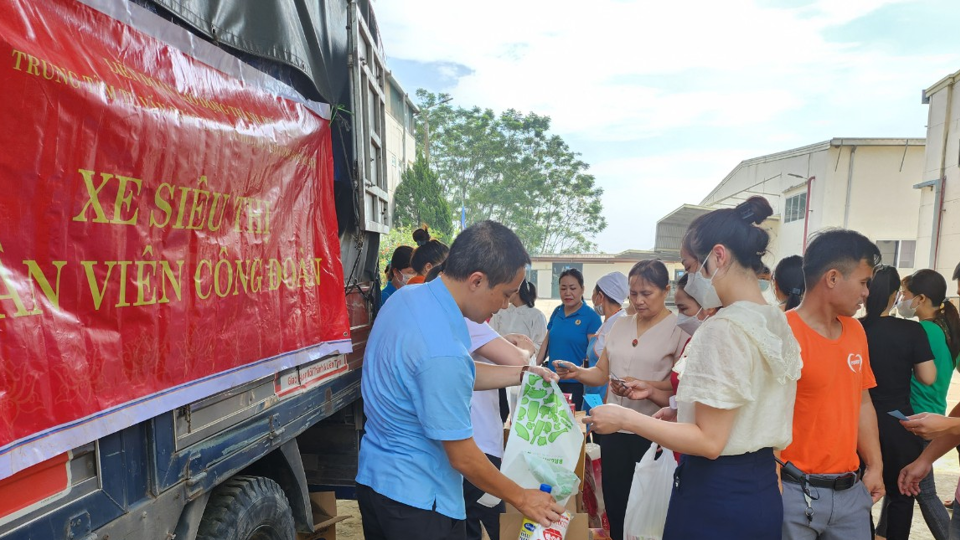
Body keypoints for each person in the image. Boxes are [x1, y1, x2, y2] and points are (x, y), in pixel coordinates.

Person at [579, 197, 801, 539]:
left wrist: (624, 417)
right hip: (760, 487)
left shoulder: (724, 327)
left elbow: (710, 441)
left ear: (718, 257)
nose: (689, 278)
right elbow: (747, 413)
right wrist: (682, 411)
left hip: (718, 492)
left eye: (689, 267)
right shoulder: (775, 320)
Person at [355, 220, 564, 540]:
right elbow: (463, 455)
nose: (506, 304)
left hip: (377, 481)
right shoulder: (441, 348)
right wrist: (522, 497)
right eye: (506, 294)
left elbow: (445, 377)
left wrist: (521, 374)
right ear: (477, 281)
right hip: (419, 501)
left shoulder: (407, 300)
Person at [555, 260, 688, 540]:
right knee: (617, 504)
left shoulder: (679, 329)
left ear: (666, 291)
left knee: (649, 508)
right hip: (615, 430)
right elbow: (601, 372)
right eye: (633, 294)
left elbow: (679, 387)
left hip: (653, 432)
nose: (638, 301)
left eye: (646, 294)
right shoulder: (620, 325)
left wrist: (647, 387)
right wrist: (578, 372)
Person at [775, 228, 884, 539]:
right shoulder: (781, 332)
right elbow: (761, 414)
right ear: (833, 278)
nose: (867, 293)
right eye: (864, 282)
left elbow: (862, 402)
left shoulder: (856, 331)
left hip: (850, 493)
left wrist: (874, 466)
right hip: (794, 493)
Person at [859, 266, 936, 540]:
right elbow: (928, 377)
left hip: (856, 423)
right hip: (897, 421)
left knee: (858, 496)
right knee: (901, 493)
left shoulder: (853, 328)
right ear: (894, 295)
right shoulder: (911, 330)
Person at [535, 268, 602, 410]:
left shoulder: (591, 317)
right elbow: (547, 343)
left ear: (582, 289)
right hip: (552, 380)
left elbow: (594, 355)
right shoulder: (557, 312)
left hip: (577, 384)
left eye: (573, 288)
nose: (567, 293)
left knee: (572, 426)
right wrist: (534, 365)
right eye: (563, 288)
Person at [583, 271, 629, 409]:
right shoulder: (607, 322)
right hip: (591, 393)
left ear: (600, 296)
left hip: (604, 397)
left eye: (593, 294)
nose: (592, 298)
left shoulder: (620, 323)